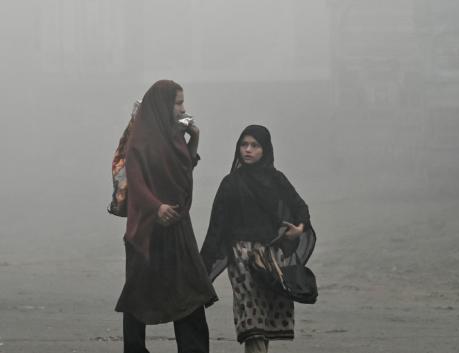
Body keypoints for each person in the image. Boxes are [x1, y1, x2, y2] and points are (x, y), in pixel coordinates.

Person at [115, 80, 218, 353]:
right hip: (147, 229)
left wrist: (194, 138)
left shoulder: (175, 135)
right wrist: (156, 207)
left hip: (177, 226)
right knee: (138, 295)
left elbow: (184, 173)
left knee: (189, 291)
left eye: (183, 102)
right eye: (178, 102)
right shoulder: (142, 138)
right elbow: (136, 181)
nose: (183, 108)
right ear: (163, 104)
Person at [200, 125, 316, 353]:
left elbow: (300, 207)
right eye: (244, 145)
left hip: (271, 257)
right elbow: (216, 229)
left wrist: (298, 228)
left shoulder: (276, 179)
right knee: (251, 315)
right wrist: (202, 269)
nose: (248, 150)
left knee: (266, 314)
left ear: (265, 149)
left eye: (255, 145)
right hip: (241, 257)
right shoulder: (230, 183)